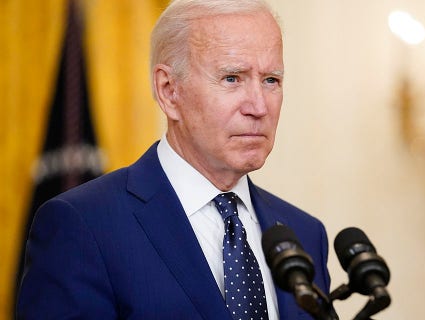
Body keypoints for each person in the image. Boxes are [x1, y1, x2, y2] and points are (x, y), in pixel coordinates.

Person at [16, 0, 331, 319]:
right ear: (169, 91)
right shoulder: (84, 226)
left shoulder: (305, 235)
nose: (259, 106)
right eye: (232, 78)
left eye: (271, 80)